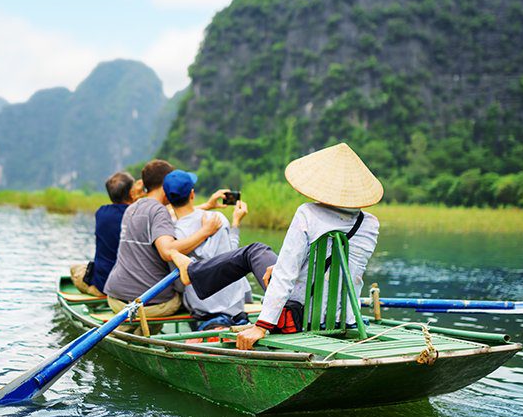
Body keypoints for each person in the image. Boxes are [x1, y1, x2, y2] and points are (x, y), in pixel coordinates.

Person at [171, 143, 382, 350]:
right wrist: (281, 265)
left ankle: (191, 272)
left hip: (299, 316)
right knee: (266, 258)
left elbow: (286, 275)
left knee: (253, 251)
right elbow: (339, 269)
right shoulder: (370, 224)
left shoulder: (308, 213)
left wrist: (262, 325)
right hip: (343, 317)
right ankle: (192, 272)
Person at [102, 159, 224, 329]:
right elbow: (167, 251)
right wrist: (205, 232)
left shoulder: (134, 207)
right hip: (147, 304)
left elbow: (168, 216)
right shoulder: (159, 211)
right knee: (193, 297)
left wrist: (207, 206)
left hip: (115, 297)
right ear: (165, 183)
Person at [164, 170, 252, 331]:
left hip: (202, 309)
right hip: (234, 307)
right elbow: (233, 257)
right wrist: (236, 223)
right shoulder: (216, 219)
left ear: (167, 198)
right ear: (192, 194)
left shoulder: (168, 233)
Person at [70, 171, 136, 296]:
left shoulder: (101, 212)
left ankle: (93, 290)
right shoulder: (137, 215)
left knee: (75, 268)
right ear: (131, 193)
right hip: (129, 284)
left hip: (103, 283)